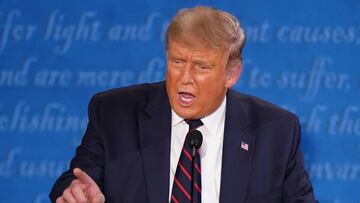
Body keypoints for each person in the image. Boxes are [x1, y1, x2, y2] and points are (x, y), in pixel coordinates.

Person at [50, 6, 316, 203]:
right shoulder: (113, 113)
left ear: (231, 74)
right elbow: (75, 179)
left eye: (201, 66)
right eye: (177, 62)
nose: (185, 78)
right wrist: (76, 192)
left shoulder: (277, 131)